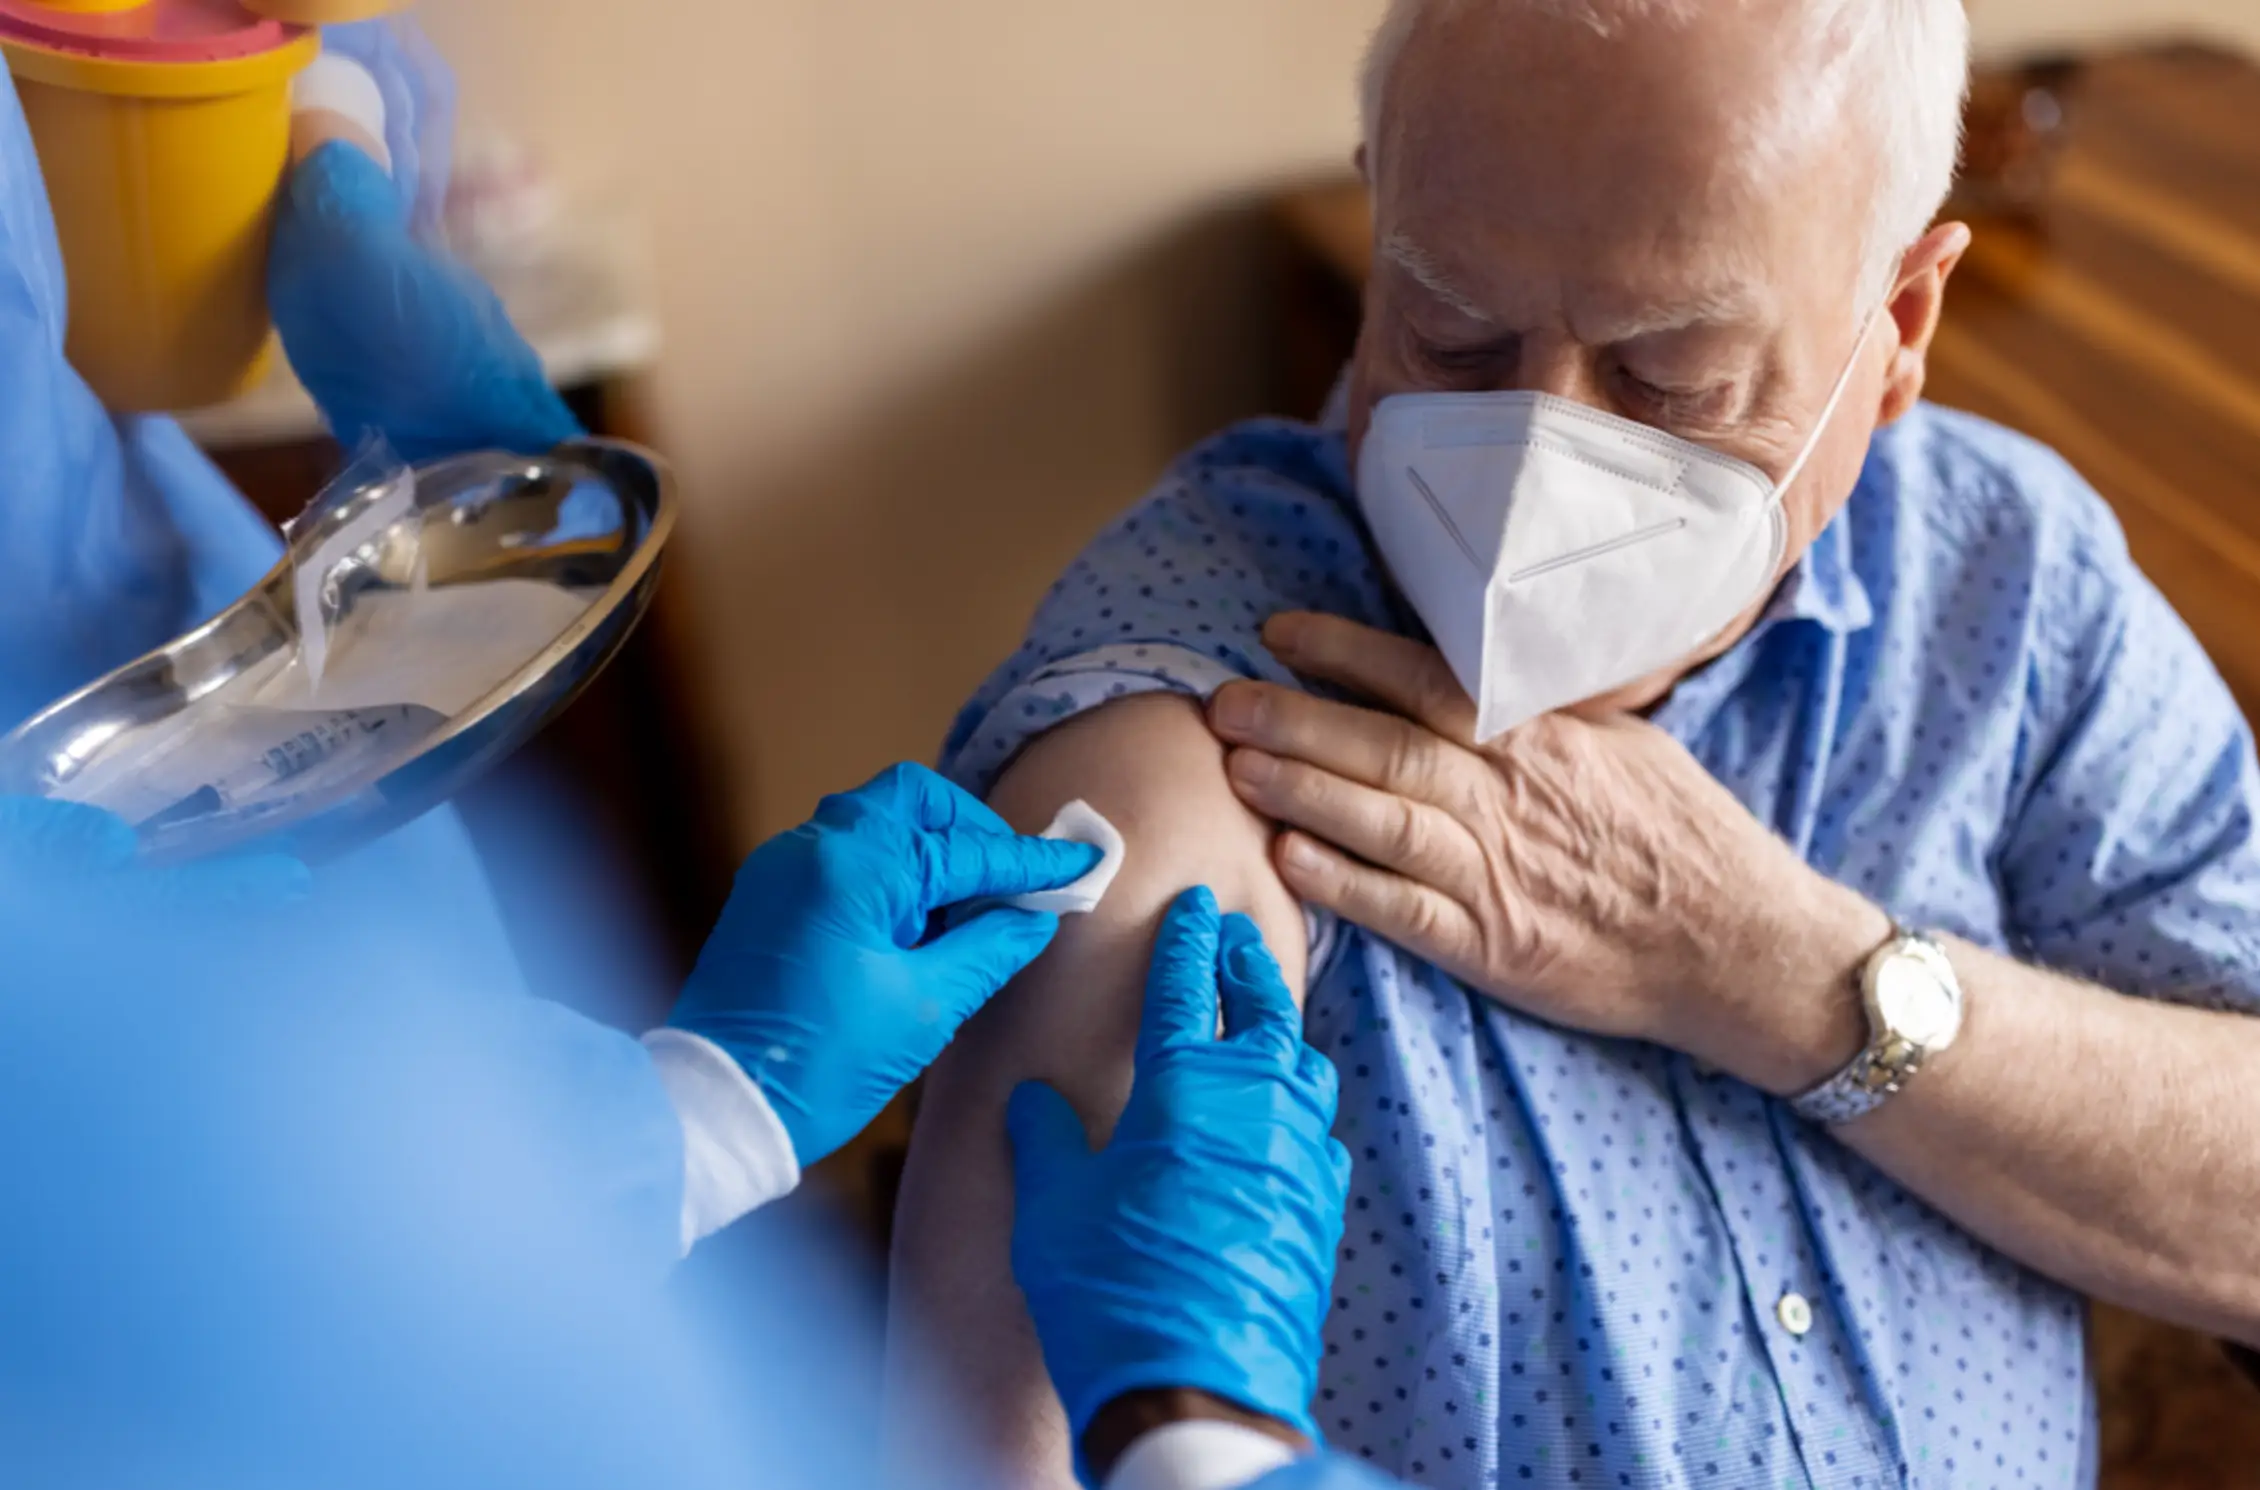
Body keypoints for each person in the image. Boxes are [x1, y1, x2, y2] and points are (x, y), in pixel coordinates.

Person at [890, 1, 2260, 1487]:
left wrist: (1781, 975)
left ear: (1903, 325)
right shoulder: (1198, 710)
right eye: (1452, 329)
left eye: (1670, 379)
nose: (1534, 461)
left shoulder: (2008, 585)